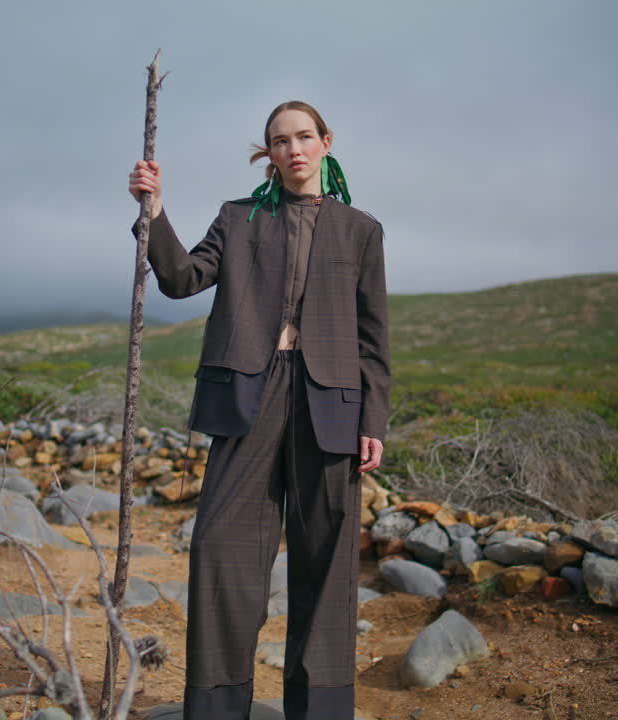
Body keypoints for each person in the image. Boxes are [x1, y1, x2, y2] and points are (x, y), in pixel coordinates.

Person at [127, 100, 390, 720]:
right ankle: (218, 709)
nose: (293, 149)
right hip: (249, 394)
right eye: (280, 140)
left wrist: (373, 420)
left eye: (304, 137)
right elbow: (181, 279)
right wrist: (155, 211)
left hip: (332, 405)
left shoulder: (361, 230)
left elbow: (374, 337)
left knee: (326, 563)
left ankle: (318, 710)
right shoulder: (238, 218)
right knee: (220, 548)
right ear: (267, 153)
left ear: (326, 142)